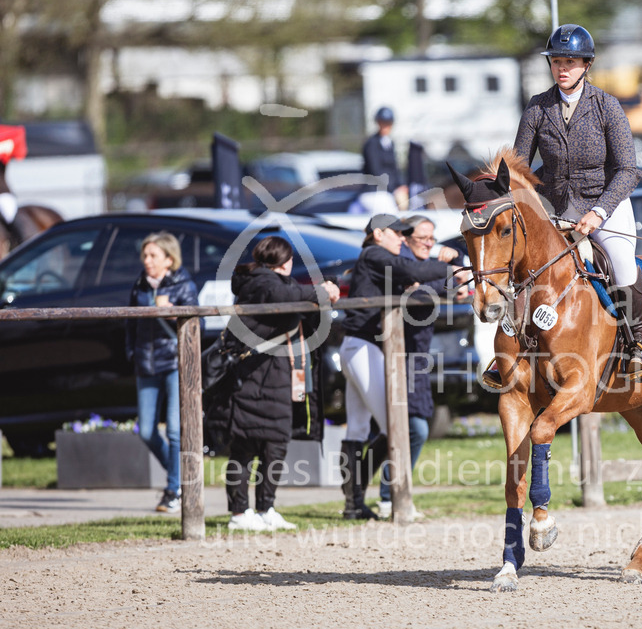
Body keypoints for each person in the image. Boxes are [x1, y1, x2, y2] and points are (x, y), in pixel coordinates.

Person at [508, 22, 642, 383]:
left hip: (604, 203)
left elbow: (628, 170)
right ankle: (508, 352)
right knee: (518, 268)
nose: (563, 68)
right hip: (553, 207)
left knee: (621, 265)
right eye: (556, 61)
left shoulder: (607, 106)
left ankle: (636, 348)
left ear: (587, 64)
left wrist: (598, 212)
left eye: (571, 61)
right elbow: (519, 168)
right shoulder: (538, 108)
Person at [338, 213, 459, 520]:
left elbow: (418, 281)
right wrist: (448, 266)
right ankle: (395, 500)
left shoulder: (378, 257)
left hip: (359, 347)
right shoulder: (375, 253)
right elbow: (410, 270)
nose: (400, 238)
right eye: (396, 233)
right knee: (396, 427)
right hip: (363, 348)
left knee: (358, 428)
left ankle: (354, 504)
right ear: (378, 233)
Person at [220, 236, 341, 531]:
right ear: (285, 263)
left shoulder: (266, 280)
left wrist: (320, 292)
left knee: (275, 444)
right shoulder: (262, 282)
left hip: (275, 374)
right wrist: (322, 292)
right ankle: (239, 513)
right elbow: (287, 294)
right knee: (246, 446)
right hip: (253, 373)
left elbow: (293, 294)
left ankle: (265, 508)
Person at [376, 215, 464, 519]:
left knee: (396, 429)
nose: (429, 242)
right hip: (395, 356)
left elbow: (457, 282)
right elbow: (418, 292)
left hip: (417, 356)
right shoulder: (401, 264)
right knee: (415, 428)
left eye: (432, 237)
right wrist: (444, 273)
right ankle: (391, 494)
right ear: (406, 237)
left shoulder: (422, 264)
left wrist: (456, 268)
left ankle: (373, 491)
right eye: (423, 237)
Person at [126, 232, 199, 513]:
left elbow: (196, 326)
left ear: (169, 259)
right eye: (145, 255)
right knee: (145, 430)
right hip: (146, 363)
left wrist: (174, 312)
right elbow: (130, 324)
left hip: (174, 363)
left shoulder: (184, 285)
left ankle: (172, 490)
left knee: (174, 428)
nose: (147, 261)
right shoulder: (140, 285)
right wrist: (131, 352)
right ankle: (180, 476)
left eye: (153, 256)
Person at [362, 106, 408, 205]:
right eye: (382, 123)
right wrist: (393, 188)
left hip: (389, 189)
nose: (385, 126)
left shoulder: (390, 143)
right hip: (376, 191)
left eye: (388, 123)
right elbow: (376, 170)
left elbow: (395, 169)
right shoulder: (371, 144)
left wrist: (401, 184)